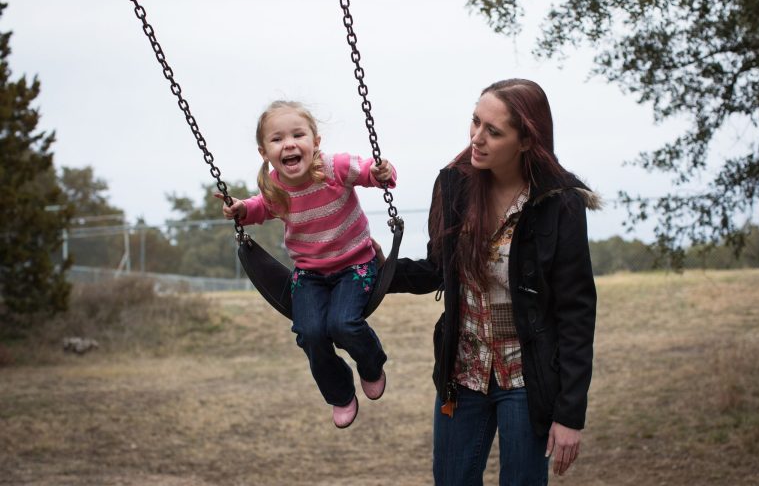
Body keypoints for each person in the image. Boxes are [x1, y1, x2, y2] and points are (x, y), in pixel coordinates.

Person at [385, 79, 600, 484]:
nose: (476, 139)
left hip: (526, 378)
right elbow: (438, 269)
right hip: (462, 373)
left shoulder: (559, 202)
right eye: (475, 122)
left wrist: (570, 414)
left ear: (525, 141)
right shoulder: (454, 184)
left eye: (493, 131)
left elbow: (576, 312)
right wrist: (376, 273)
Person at [215, 100, 395, 429]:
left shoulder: (335, 168)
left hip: (355, 264)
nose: (289, 144)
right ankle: (340, 393)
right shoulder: (274, 186)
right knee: (311, 333)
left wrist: (381, 173)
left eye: (298, 134)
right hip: (309, 275)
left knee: (343, 324)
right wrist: (242, 209)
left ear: (315, 141)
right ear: (264, 152)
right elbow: (261, 208)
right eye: (277, 139)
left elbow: (371, 172)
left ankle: (371, 365)